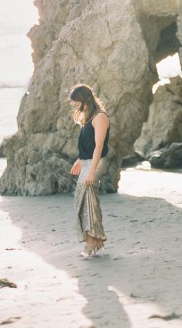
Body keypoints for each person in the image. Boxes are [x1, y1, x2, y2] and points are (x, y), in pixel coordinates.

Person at [69, 84, 110, 258]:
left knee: (89, 202)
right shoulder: (90, 117)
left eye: (76, 102)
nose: (75, 106)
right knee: (83, 201)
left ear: (85, 100)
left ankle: (93, 244)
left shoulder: (100, 117)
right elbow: (89, 145)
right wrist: (80, 160)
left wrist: (92, 171)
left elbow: (99, 146)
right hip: (88, 162)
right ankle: (95, 242)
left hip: (97, 163)